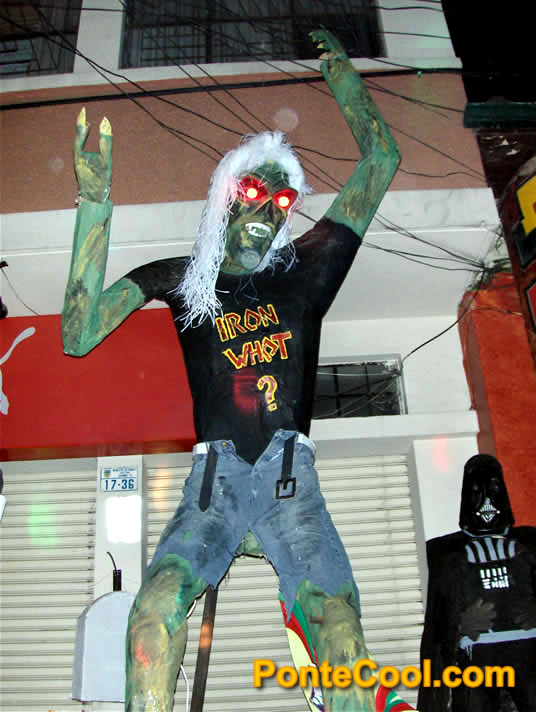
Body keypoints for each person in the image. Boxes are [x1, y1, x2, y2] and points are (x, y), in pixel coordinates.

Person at [63, 30, 401, 712]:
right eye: (253, 189)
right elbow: (78, 334)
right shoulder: (183, 280)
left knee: (341, 634)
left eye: (283, 200)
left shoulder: (308, 269)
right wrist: (94, 204)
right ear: (226, 196)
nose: (267, 208)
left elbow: (382, 160)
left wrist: (342, 74)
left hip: (289, 482)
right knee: (152, 617)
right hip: (213, 484)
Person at [418, 454, 536, 712]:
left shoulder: (531, 544)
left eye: (492, 489)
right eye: (476, 491)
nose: (486, 500)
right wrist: (459, 626)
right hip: (475, 667)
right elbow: (436, 630)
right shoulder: (445, 552)